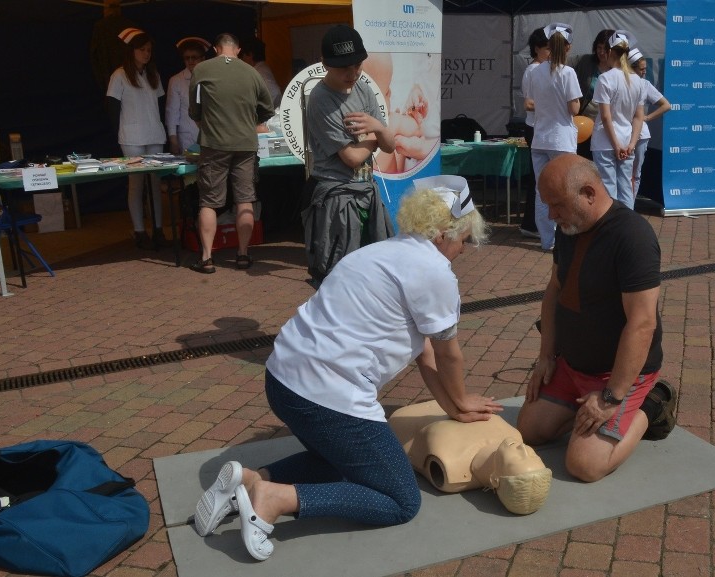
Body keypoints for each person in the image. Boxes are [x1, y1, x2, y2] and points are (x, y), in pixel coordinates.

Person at [193, 177, 503, 561]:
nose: (464, 249)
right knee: (399, 500)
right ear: (442, 233)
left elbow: (425, 353)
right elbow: (448, 355)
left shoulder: (382, 252)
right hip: (326, 396)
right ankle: (273, 499)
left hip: (281, 381)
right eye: (464, 239)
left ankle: (253, 479)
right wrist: (460, 399)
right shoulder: (434, 270)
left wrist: (453, 406)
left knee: (343, 459)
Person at [516, 154, 677, 483]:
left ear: (589, 193)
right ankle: (586, 410)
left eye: (557, 205)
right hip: (573, 364)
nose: (550, 215)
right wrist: (546, 356)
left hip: (619, 375)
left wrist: (611, 397)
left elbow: (642, 323)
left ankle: (652, 401)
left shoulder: (632, 236)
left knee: (584, 466)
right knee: (529, 431)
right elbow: (554, 291)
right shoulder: (570, 226)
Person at [302, 25, 396, 286]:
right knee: (340, 275)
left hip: (366, 191)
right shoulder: (320, 99)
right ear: (325, 64)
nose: (352, 73)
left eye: (357, 65)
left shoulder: (364, 89)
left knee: (375, 271)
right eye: (344, 67)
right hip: (337, 196)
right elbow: (352, 158)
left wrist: (376, 128)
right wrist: (375, 137)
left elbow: (390, 145)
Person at [188, 33, 274, 274]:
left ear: (217, 49)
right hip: (245, 145)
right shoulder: (252, 72)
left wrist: (205, 123)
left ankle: (206, 258)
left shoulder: (202, 70)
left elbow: (194, 109)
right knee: (244, 199)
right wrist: (249, 122)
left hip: (214, 144)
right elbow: (267, 108)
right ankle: (244, 255)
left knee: (208, 201)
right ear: (237, 50)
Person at [389, 399, 552, 515]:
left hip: (404, 417)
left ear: (496, 479)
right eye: (533, 456)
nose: (523, 448)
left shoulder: (450, 466)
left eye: (519, 458)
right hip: (444, 400)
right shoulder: (514, 437)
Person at [106, 27, 169, 250]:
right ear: (132, 51)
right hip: (131, 137)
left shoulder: (154, 75)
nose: (146, 53)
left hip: (154, 133)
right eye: (142, 49)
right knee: (136, 184)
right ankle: (140, 230)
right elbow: (113, 108)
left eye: (149, 50)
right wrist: (119, 134)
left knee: (155, 183)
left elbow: (160, 105)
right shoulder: (119, 75)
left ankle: (159, 229)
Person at [525, 23, 582, 252]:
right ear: (567, 47)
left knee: (543, 190)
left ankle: (547, 240)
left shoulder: (536, 70)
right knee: (567, 188)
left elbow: (530, 103)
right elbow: (574, 108)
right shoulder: (568, 73)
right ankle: (567, 236)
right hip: (561, 139)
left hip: (540, 138)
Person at [590, 30, 645, 210]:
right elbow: (639, 117)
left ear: (609, 52)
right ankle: (627, 230)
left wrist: (616, 146)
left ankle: (612, 232)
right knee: (626, 190)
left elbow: (606, 117)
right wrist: (631, 144)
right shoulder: (638, 81)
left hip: (606, 143)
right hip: (626, 141)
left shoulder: (605, 79)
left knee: (608, 190)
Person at [517, 27, 549, 240]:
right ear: (537, 49)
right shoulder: (533, 70)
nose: (551, 52)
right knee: (538, 179)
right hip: (535, 127)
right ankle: (531, 224)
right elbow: (528, 103)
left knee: (540, 178)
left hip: (543, 126)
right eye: (547, 48)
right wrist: (552, 105)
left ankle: (534, 223)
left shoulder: (546, 69)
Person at [628, 48, 671, 196]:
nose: (644, 72)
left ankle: (630, 206)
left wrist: (646, 118)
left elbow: (666, 105)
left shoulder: (645, 84)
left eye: (645, 69)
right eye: (641, 69)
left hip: (640, 135)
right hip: (622, 132)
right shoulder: (620, 82)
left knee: (635, 173)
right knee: (622, 174)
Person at [573, 29, 615, 159]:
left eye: (605, 48)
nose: (601, 52)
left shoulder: (618, 70)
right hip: (584, 123)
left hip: (606, 126)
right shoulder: (585, 62)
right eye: (599, 47)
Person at [165, 37, 210, 155]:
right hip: (186, 137)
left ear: (203, 58)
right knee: (189, 171)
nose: (190, 61)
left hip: (210, 136)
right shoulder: (176, 80)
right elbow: (172, 112)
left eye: (194, 57)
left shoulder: (212, 78)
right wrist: (173, 140)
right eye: (187, 58)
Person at [240, 37, 282, 110]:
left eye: (243, 55)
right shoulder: (262, 68)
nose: (242, 59)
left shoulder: (259, 73)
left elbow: (275, 92)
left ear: (250, 54)